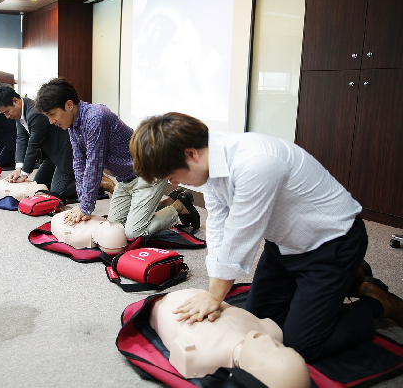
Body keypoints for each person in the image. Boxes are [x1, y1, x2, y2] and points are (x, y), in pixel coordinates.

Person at [130, 112, 403, 362]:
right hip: (285, 246)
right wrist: (214, 288)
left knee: (299, 347)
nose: (174, 184)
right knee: (259, 322)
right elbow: (218, 227)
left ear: (191, 154)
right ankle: (350, 278)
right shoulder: (210, 162)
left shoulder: (256, 163)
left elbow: (241, 235)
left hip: (332, 244)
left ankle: (377, 303)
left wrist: (215, 296)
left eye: (171, 176)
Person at [34, 78, 199, 238]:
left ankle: (178, 207)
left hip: (149, 172)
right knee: (114, 229)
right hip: (125, 180)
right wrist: (81, 202)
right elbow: (79, 164)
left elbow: (94, 165)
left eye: (52, 114)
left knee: (131, 233)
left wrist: (86, 207)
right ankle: (170, 201)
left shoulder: (95, 117)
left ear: (69, 105)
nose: (51, 121)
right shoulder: (73, 125)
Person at [150, 288, 311, 388]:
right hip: (196, 294)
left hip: (165, 305)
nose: (267, 340)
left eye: (269, 352)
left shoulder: (201, 357)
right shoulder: (270, 330)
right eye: (280, 347)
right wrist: (214, 296)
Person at [0, 84, 77, 200]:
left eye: (7, 111)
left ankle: (94, 182)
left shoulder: (35, 113)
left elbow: (33, 145)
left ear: (15, 101)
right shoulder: (19, 114)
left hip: (65, 153)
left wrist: (24, 174)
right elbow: (21, 139)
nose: (7, 116)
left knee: (58, 193)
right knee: (38, 185)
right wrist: (19, 168)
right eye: (4, 114)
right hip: (51, 155)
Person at [51, 211, 128, 254]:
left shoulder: (77, 238)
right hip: (63, 218)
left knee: (131, 234)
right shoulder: (77, 238)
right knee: (130, 233)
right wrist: (84, 208)